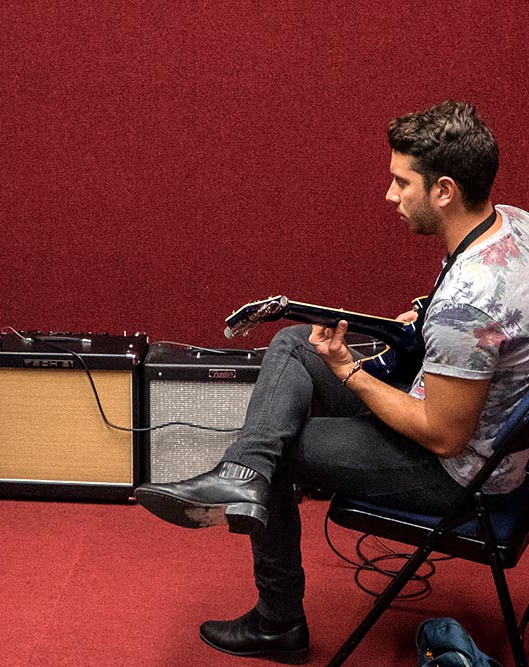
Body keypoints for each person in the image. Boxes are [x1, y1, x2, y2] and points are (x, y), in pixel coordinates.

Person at [135, 100, 529, 664]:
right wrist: (426, 319)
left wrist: (349, 371)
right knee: (294, 342)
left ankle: (277, 620)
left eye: (402, 182)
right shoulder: (513, 225)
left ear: (445, 190)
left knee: (281, 450)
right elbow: (495, 325)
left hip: (458, 473)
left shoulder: (469, 302)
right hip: (469, 419)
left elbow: (443, 435)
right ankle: (242, 472)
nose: (390, 195)